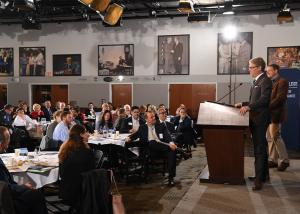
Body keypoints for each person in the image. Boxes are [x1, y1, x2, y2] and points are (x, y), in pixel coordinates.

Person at [235, 57, 272, 191]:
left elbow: (264, 100)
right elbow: (254, 100)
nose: (248, 70)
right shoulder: (256, 81)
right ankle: (263, 175)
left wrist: (249, 107)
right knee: (260, 147)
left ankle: (258, 180)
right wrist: (244, 104)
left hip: (260, 120)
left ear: (259, 68)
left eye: (251, 67)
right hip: (255, 119)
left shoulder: (265, 81)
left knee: (259, 150)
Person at [0, 126, 48, 214]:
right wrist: (23, 187)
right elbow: (5, 188)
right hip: (7, 201)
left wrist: (21, 186)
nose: (8, 143)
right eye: (7, 139)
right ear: (1, 143)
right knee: (36, 194)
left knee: (34, 191)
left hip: (9, 193)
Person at [127, 112, 180, 186]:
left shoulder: (160, 125)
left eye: (154, 116)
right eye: (151, 117)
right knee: (152, 142)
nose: (154, 118)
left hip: (162, 149)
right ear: (146, 119)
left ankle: (171, 177)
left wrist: (172, 143)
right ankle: (180, 151)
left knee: (172, 152)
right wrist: (129, 138)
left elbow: (168, 135)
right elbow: (135, 135)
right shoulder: (142, 127)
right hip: (149, 151)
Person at [58, 124, 95, 207]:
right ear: (81, 135)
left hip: (65, 189)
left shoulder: (65, 149)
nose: (88, 134)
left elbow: (61, 172)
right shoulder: (86, 152)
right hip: (83, 190)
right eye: (86, 132)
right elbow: (91, 172)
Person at [266, 64, 290, 171]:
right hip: (268, 114)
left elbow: (280, 99)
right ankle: (273, 160)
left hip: (276, 114)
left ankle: (285, 161)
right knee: (269, 137)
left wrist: (266, 106)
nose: (268, 73)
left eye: (269, 71)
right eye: (267, 71)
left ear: (276, 70)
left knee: (276, 137)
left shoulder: (282, 81)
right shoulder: (270, 82)